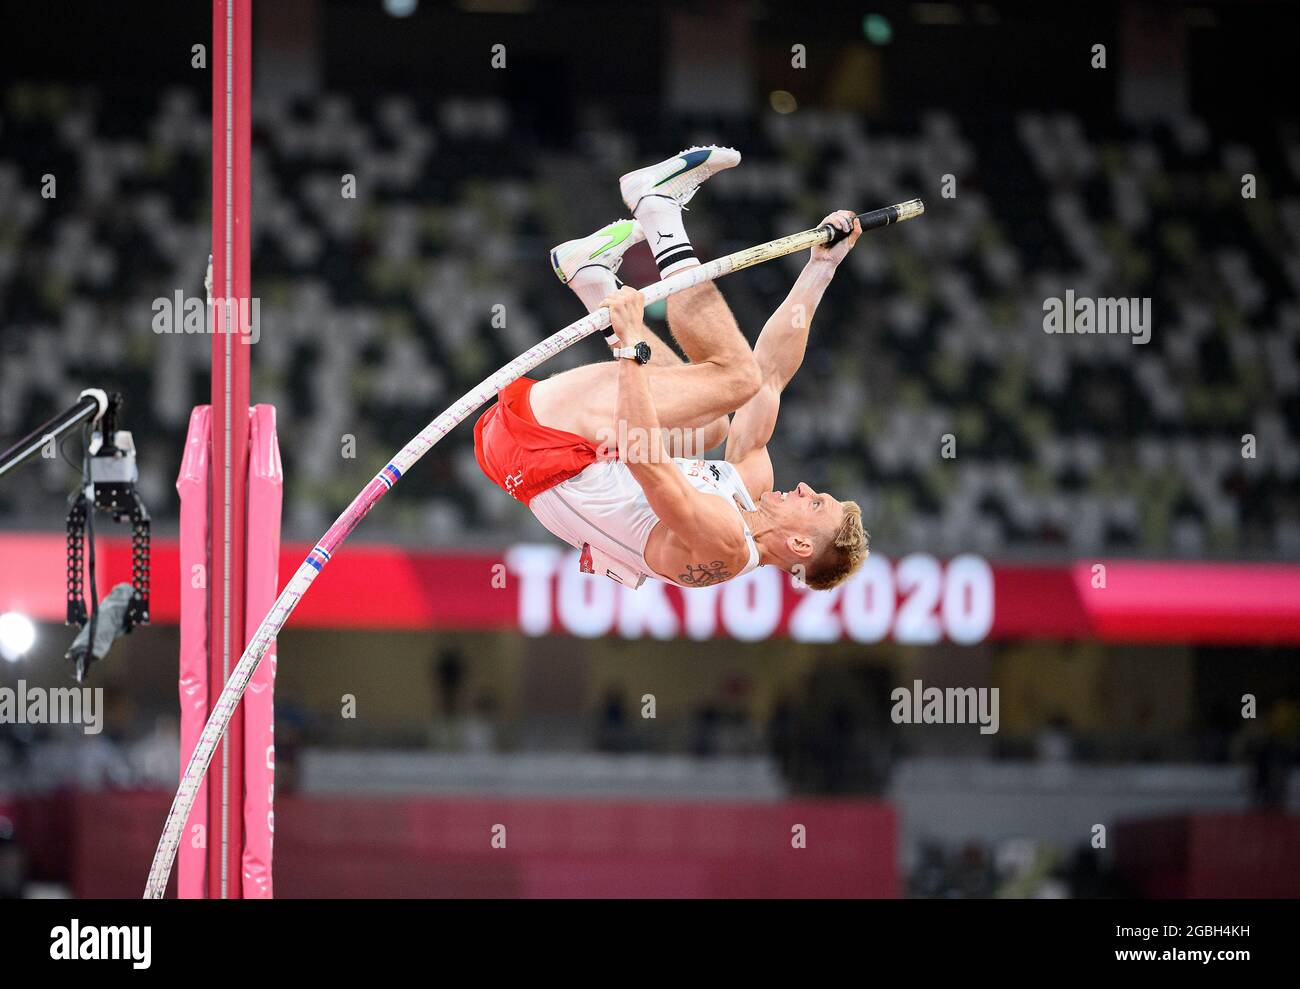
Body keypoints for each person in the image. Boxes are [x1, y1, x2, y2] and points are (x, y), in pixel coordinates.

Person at [474, 147, 868, 590]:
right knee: (716, 423)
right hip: (528, 455)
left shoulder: (726, 545)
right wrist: (822, 266)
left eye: (814, 504)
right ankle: (593, 279)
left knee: (735, 378)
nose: (804, 489)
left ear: (799, 546)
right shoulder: (749, 490)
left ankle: (658, 210)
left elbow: (645, 458)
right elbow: (771, 379)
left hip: (545, 447)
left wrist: (632, 347)